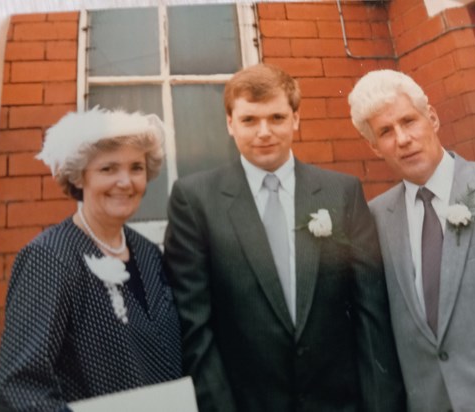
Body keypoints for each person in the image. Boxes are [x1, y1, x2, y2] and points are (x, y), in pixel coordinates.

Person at [163, 63, 405, 412]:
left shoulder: (341, 192)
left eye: (276, 118)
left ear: (295, 119)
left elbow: (371, 315)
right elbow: (194, 325)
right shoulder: (195, 200)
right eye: (249, 120)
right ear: (230, 124)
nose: (264, 132)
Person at [0, 107, 183, 411]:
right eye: (108, 169)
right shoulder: (49, 258)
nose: (125, 182)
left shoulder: (148, 253)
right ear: (79, 177)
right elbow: (18, 387)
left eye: (136, 167)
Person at [348, 69, 475, 412]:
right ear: (374, 146)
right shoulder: (372, 219)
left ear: (431, 118)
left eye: (408, 121)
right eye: (386, 131)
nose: (402, 139)